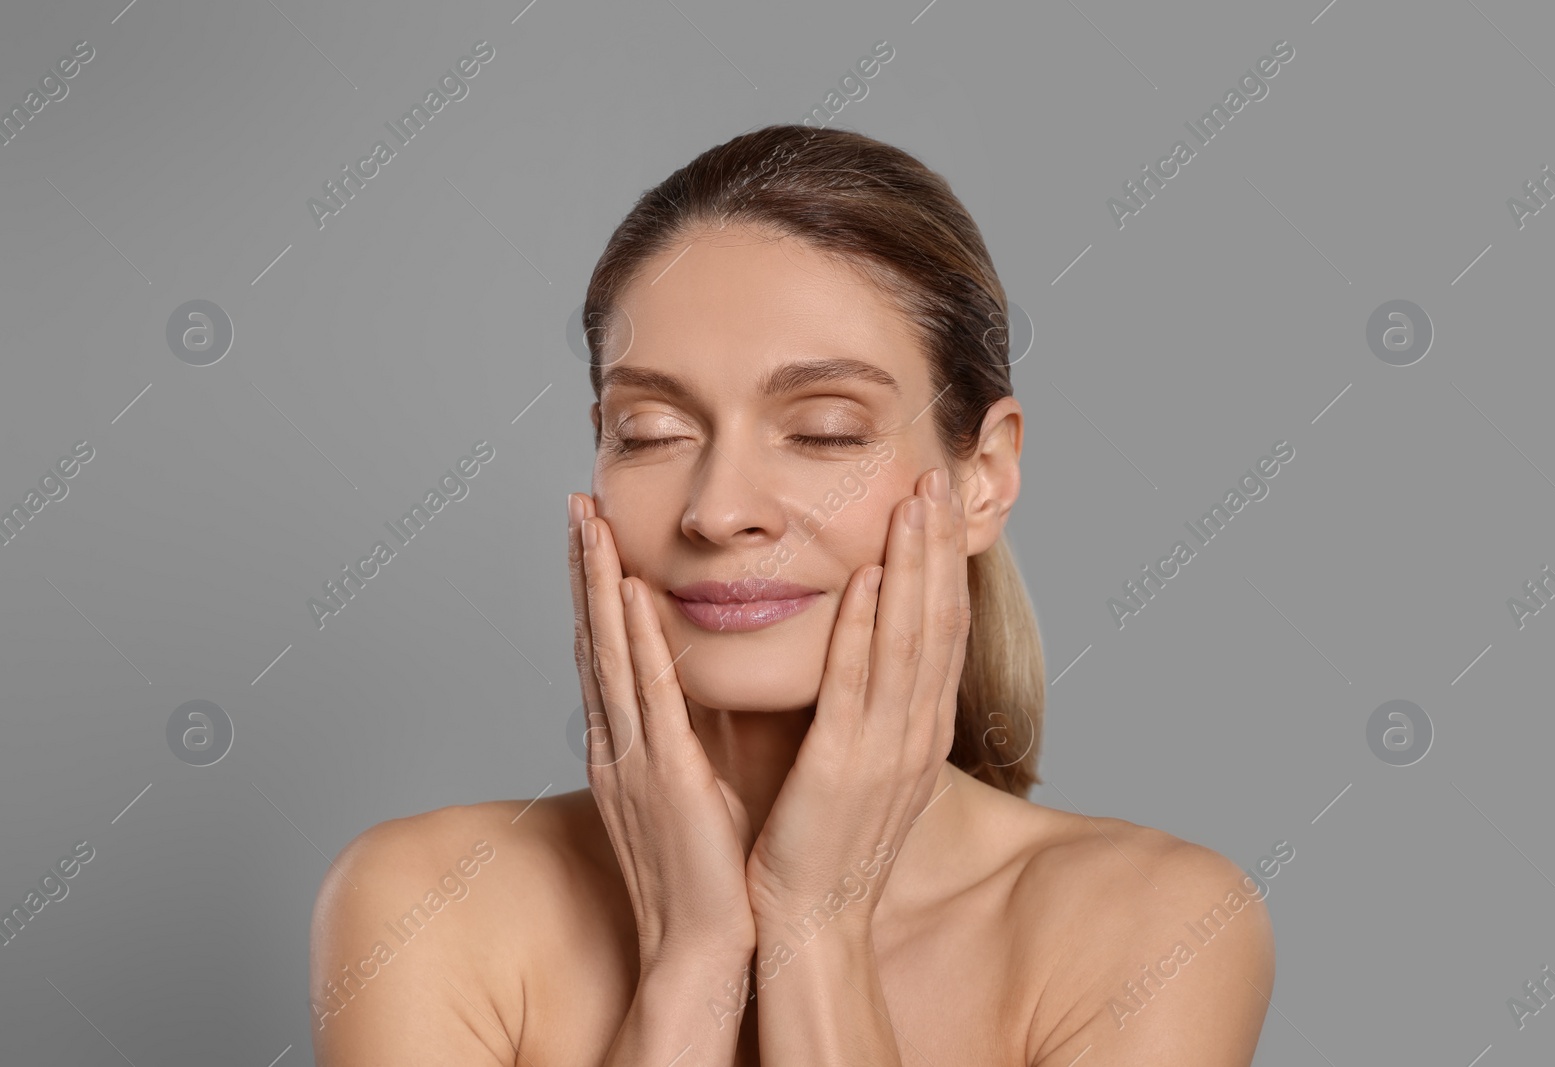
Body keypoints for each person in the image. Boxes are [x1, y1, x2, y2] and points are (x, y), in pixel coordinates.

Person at [309, 123, 1274, 1066]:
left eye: (822, 430)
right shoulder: (422, 904)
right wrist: (692, 958)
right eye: (647, 430)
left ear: (984, 477)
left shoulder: (1153, 928)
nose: (720, 511)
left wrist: (815, 923)